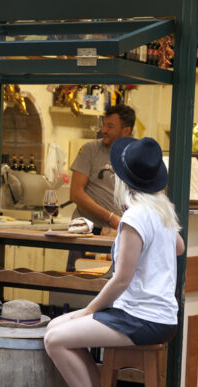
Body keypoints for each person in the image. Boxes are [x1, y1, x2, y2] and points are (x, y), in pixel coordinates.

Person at [44, 136, 185, 387]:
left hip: (140, 317)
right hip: (157, 317)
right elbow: (179, 247)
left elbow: (121, 280)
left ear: (121, 178)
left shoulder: (135, 216)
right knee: (56, 330)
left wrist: (87, 311)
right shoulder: (161, 211)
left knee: (54, 338)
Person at [65, 104, 135, 271]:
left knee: (111, 287)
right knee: (76, 287)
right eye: (104, 124)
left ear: (126, 131)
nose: (103, 130)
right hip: (86, 233)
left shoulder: (134, 154)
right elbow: (76, 194)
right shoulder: (90, 150)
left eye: (110, 126)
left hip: (117, 234)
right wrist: (110, 217)